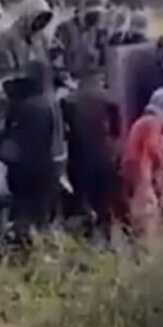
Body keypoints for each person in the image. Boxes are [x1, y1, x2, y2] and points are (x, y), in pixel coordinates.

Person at [0, 65, 62, 237]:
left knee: (23, 220)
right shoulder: (46, 104)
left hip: (25, 175)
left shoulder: (23, 109)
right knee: (40, 220)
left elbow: (11, 149)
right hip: (43, 170)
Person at [63, 65, 123, 233]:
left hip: (79, 157)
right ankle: (105, 233)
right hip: (104, 155)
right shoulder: (110, 99)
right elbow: (117, 131)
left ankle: (87, 235)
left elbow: (64, 133)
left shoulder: (69, 101)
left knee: (82, 202)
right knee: (104, 202)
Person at [122, 87, 163, 236]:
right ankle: (148, 243)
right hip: (141, 169)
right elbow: (152, 147)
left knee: (141, 207)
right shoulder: (154, 122)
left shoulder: (145, 121)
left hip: (133, 169)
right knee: (148, 211)